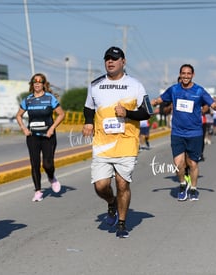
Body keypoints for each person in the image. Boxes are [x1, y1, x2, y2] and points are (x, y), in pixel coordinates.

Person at [82, 46, 152, 238]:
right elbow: (89, 108)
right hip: (103, 144)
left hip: (126, 142)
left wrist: (128, 113)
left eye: (114, 58)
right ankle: (111, 202)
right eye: (107, 59)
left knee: (122, 184)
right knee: (100, 186)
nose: (110, 62)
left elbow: (147, 111)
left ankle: (121, 223)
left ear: (123, 61)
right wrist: (88, 122)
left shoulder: (135, 85)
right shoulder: (95, 84)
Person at [151, 64, 216, 201]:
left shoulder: (199, 91)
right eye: (183, 73)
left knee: (192, 163)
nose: (186, 76)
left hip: (194, 133)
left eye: (188, 73)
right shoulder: (174, 89)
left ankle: (194, 189)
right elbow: (160, 99)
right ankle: (183, 185)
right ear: (180, 74)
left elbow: (211, 103)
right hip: (177, 132)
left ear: (193, 75)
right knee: (178, 163)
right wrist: (152, 102)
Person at [15, 73, 65, 202]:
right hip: (33, 137)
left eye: (40, 82)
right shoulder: (28, 100)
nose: (37, 84)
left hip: (48, 136)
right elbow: (18, 115)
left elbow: (61, 114)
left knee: (47, 164)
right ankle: (38, 191)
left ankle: (51, 177)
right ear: (32, 84)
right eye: (34, 82)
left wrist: (52, 128)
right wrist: (24, 128)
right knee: (35, 164)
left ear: (44, 84)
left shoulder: (50, 98)